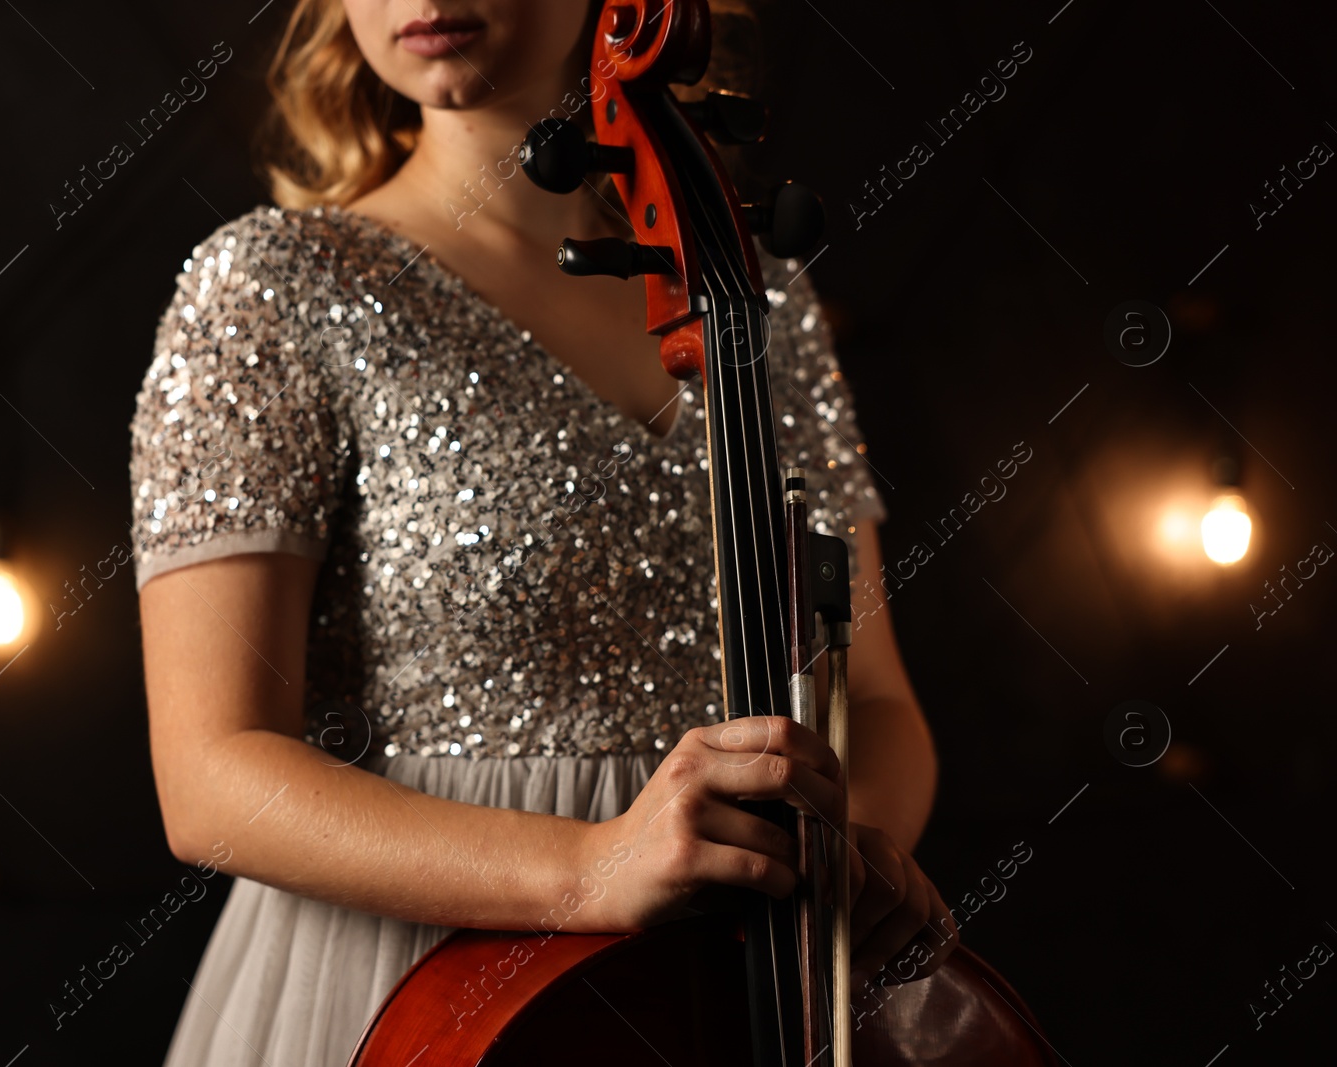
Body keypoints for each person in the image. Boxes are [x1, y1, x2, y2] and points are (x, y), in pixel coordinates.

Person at [128, 1, 956, 1062]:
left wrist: (851, 852)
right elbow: (210, 779)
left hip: (727, 970)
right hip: (412, 980)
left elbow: (875, 697)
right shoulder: (275, 286)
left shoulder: (759, 303)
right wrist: (594, 866)